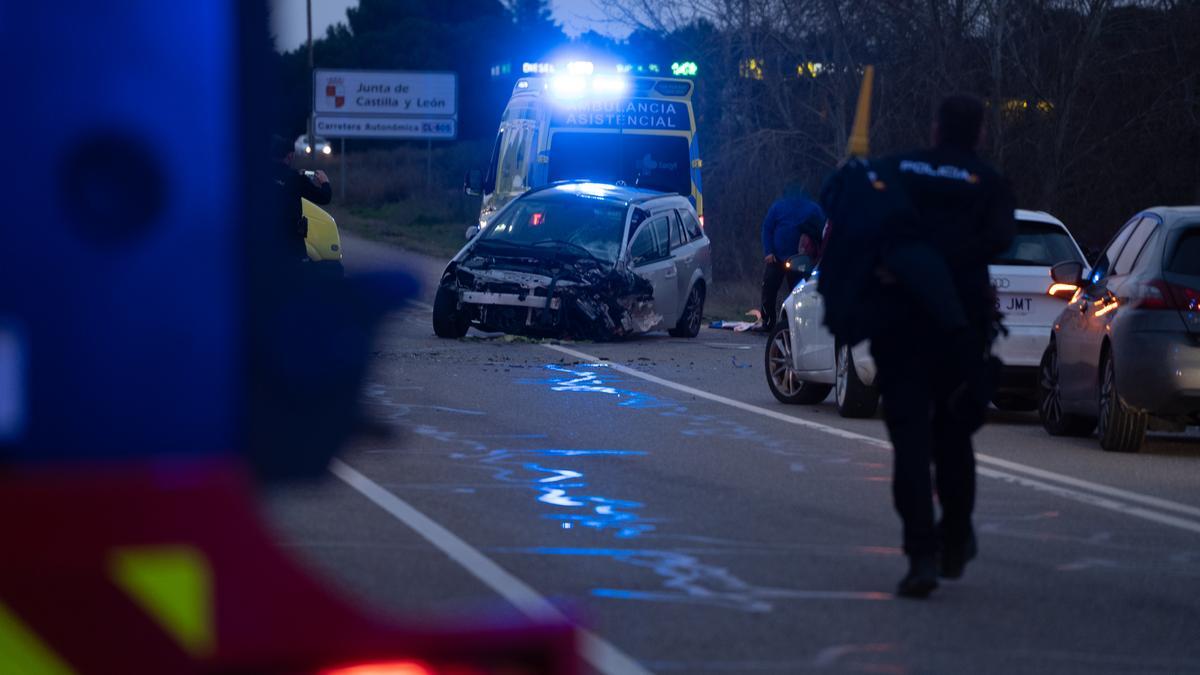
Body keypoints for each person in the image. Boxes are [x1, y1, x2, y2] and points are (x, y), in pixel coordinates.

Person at [868, 96, 1016, 598]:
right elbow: (1000, 239)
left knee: (910, 441)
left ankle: (921, 556)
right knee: (953, 436)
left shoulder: (896, 168)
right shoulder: (988, 182)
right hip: (959, 328)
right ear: (979, 133)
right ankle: (955, 535)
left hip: (901, 323)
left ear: (934, 128)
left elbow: (861, 219)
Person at [759, 182, 825, 330]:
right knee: (769, 290)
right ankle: (768, 322)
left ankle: (800, 324)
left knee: (799, 293)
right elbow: (767, 229)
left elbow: (822, 231)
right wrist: (769, 252)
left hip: (800, 258)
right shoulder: (779, 207)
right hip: (777, 258)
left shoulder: (812, 209)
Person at [271, 134, 332, 263]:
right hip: (291, 242)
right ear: (290, 156)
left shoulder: (257, 176)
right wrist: (325, 182)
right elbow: (324, 197)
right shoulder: (295, 178)